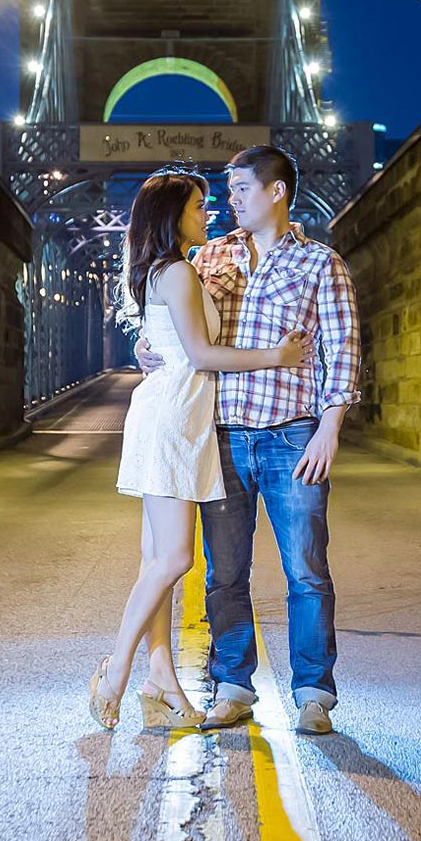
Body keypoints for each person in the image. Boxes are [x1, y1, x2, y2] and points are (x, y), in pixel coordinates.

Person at [136, 145, 361, 736]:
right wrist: (151, 347)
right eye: (225, 192)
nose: (228, 200)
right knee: (224, 573)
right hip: (223, 435)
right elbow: (176, 321)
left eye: (238, 189)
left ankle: (314, 692)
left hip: (293, 435)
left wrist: (329, 429)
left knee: (306, 567)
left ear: (276, 192)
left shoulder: (321, 265)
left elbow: (343, 353)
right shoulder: (207, 257)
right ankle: (234, 685)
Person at [90, 167, 310, 732]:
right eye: (196, 206)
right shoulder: (178, 275)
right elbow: (202, 355)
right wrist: (276, 358)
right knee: (175, 561)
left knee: (154, 561)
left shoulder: (172, 271)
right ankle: (114, 670)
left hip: (178, 416)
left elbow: (173, 344)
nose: (206, 214)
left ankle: (160, 676)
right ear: (172, 216)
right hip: (173, 421)